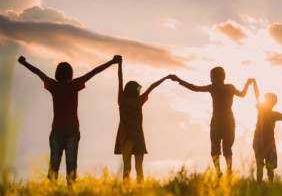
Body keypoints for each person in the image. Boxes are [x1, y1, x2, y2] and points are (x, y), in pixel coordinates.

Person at [18, 55, 121, 185]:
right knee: (71, 163)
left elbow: (38, 72)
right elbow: (94, 72)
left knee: (54, 162)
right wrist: (112, 62)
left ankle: (51, 190)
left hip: (57, 129)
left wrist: (24, 63)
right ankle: (70, 189)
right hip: (72, 129)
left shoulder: (53, 86)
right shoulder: (74, 85)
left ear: (57, 73)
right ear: (70, 74)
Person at [171, 67, 252, 178]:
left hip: (217, 122)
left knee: (215, 149)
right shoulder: (229, 87)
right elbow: (242, 94)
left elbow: (194, 88)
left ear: (217, 77)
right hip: (229, 120)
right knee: (227, 149)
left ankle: (219, 172)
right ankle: (228, 172)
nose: (210, 78)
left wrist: (178, 80)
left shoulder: (213, 87)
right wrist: (247, 85)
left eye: (211, 76)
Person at [115, 59, 172, 183]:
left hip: (124, 137)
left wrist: (119, 64)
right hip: (137, 136)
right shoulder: (138, 102)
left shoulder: (122, 101)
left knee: (127, 167)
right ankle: (141, 187)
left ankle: (126, 188)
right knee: (138, 166)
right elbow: (152, 86)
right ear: (137, 91)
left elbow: (120, 80)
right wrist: (166, 77)